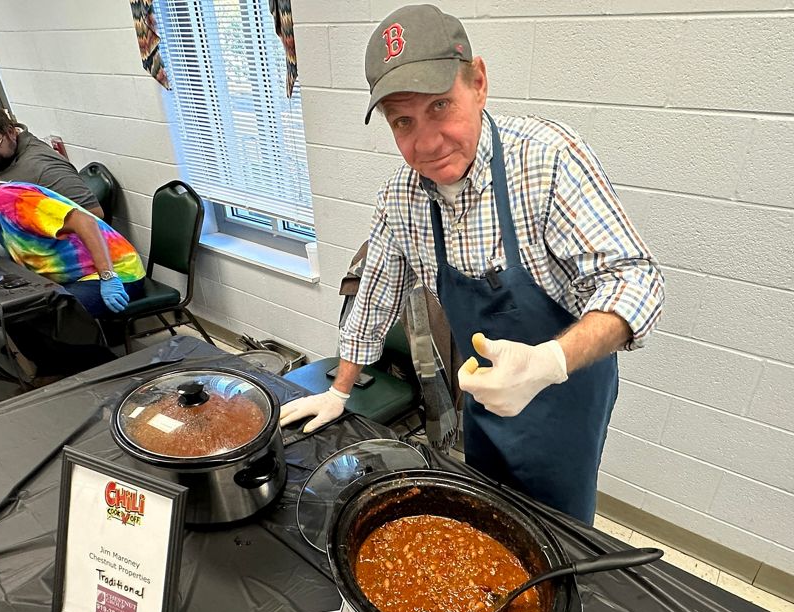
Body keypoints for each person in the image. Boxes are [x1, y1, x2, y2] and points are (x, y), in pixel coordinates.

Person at [279, 4, 664, 523]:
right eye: (404, 122)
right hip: (483, 391)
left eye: (441, 106)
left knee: (558, 533)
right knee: (486, 510)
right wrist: (339, 390)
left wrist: (546, 363)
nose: (428, 142)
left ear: (478, 81)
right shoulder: (401, 198)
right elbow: (374, 297)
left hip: (566, 392)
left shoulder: (548, 159)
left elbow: (634, 280)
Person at [0, 160, 144, 319]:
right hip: (74, 277)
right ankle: (51, 370)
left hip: (115, 275)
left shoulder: (12, 201)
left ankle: (79, 373)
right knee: (16, 308)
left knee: (47, 315)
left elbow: (86, 221)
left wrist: (108, 277)